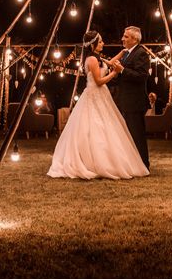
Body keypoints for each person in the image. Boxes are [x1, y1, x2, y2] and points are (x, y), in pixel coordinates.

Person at [47, 31, 149, 179]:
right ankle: (96, 162)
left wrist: (121, 53)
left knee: (108, 127)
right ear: (93, 44)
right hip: (94, 95)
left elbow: (110, 62)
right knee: (96, 127)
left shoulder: (97, 58)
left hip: (101, 96)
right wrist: (115, 73)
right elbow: (99, 81)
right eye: (100, 42)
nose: (103, 44)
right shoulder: (92, 60)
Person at [113, 26, 151, 169]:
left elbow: (141, 77)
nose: (122, 39)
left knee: (137, 135)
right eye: (123, 36)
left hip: (135, 102)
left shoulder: (141, 53)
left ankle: (143, 165)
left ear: (135, 39)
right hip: (124, 101)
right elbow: (122, 78)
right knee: (127, 136)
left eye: (126, 37)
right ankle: (131, 164)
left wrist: (122, 70)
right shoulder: (126, 54)